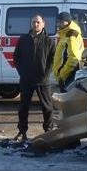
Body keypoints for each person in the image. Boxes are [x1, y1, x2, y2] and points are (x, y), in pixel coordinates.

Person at [12, 14, 55, 143]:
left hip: (42, 80)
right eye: (33, 22)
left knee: (47, 108)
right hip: (26, 79)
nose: (35, 24)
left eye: (38, 22)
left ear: (43, 24)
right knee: (23, 107)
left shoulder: (49, 41)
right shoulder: (23, 39)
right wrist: (22, 73)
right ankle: (22, 131)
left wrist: (46, 74)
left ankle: (48, 131)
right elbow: (16, 57)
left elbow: (52, 60)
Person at [53, 11, 84, 92]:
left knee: (67, 97)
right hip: (67, 74)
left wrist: (62, 74)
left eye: (60, 22)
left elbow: (73, 58)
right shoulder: (65, 33)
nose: (58, 24)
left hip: (68, 75)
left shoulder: (71, 34)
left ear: (66, 22)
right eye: (58, 21)